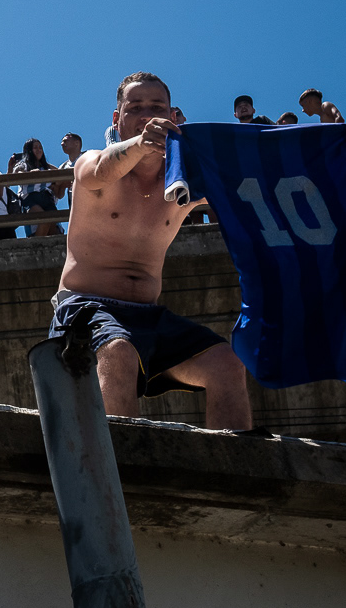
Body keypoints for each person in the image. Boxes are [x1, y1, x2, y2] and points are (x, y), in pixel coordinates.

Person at [50, 72, 253, 430]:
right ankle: (126, 470)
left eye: (156, 107)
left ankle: (234, 471)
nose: (148, 114)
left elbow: (243, 190)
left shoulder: (184, 179)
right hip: (87, 307)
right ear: (117, 119)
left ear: (173, 116)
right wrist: (142, 145)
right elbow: (96, 171)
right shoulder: (93, 161)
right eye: (136, 107)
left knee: (226, 363)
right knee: (118, 352)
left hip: (149, 314)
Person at [13, 138, 60, 238]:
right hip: (31, 198)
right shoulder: (24, 165)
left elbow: (59, 172)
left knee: (53, 227)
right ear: (29, 150)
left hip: (47, 198)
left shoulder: (46, 167)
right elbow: (16, 173)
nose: (39, 150)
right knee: (45, 218)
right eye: (35, 148)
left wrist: (45, 164)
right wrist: (30, 174)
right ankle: (37, 246)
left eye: (40, 148)